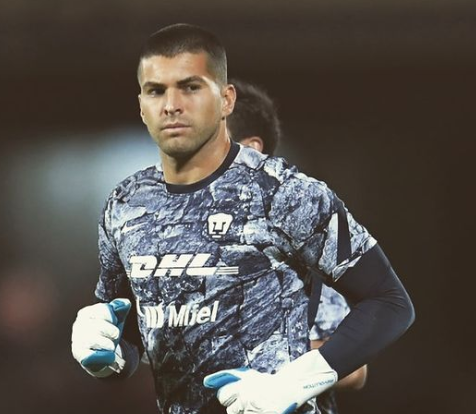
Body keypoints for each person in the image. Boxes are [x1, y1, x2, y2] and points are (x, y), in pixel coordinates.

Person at [71, 23, 414, 414]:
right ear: (141, 105)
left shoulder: (283, 192)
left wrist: (290, 385)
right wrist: (108, 357)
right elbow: (133, 337)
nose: (171, 105)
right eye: (156, 90)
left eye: (190, 87)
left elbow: (389, 301)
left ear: (226, 100)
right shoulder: (125, 204)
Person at [227, 78, 367, 414]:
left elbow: (356, 369)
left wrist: (267, 370)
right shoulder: (175, 242)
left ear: (251, 149)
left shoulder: (295, 239)